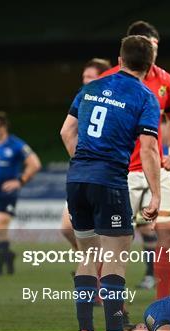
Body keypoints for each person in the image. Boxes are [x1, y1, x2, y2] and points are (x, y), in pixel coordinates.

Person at [60, 35, 161, 331]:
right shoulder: (145, 97)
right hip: (110, 181)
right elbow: (147, 148)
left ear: (119, 58)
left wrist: (83, 165)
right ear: (150, 64)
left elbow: (66, 131)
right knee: (116, 257)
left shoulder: (90, 88)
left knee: (87, 254)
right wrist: (156, 194)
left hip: (76, 179)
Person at [102, 21, 170, 299]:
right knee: (115, 241)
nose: (151, 52)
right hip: (121, 171)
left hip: (155, 167)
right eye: (145, 46)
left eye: (154, 47)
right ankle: (112, 304)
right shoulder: (111, 79)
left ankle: (163, 303)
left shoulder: (164, 80)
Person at [62, 58, 111, 252]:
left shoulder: (113, 102)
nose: (85, 80)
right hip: (82, 171)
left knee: (108, 234)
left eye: (90, 77)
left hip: (107, 174)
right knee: (67, 228)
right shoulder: (83, 97)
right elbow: (67, 132)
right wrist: (82, 162)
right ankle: (91, 267)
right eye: (84, 77)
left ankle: (94, 272)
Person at [0, 111, 41, 275]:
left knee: (0, 225)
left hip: (6, 192)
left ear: (2, 127)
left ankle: (0, 266)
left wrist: (20, 181)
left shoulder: (16, 145)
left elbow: (34, 164)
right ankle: (7, 254)